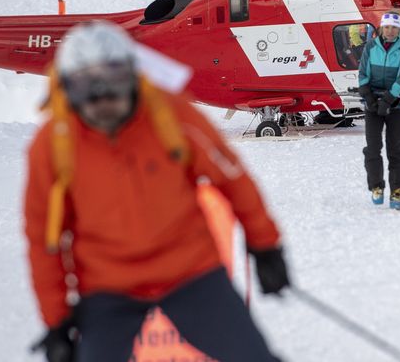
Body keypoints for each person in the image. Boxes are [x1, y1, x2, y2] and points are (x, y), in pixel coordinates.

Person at [25, 21, 288, 362]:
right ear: (66, 90)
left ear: (133, 77)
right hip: (108, 287)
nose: (101, 99)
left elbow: (233, 179)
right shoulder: (53, 145)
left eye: (113, 82)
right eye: (86, 87)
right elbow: (43, 237)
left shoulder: (171, 115)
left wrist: (266, 247)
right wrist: (56, 320)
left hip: (189, 273)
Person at [358, 12, 400, 210]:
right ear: (381, 28)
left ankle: (397, 190)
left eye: (394, 27)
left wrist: (389, 99)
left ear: (399, 29)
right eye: (387, 27)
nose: (390, 31)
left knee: (395, 149)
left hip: (396, 104)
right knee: (372, 148)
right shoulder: (371, 47)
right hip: (372, 103)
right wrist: (368, 96)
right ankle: (376, 186)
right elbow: (363, 72)